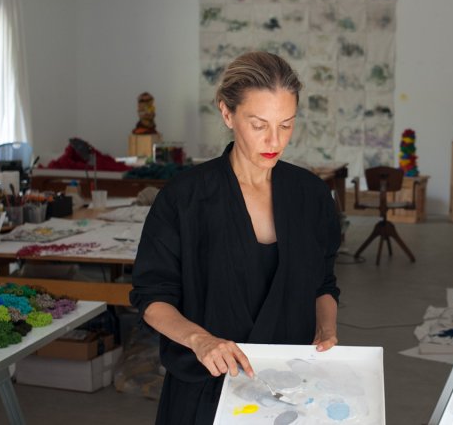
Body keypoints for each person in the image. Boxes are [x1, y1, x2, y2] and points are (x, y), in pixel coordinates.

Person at [129, 51, 341, 424]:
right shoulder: (185, 198)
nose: (274, 140)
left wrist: (326, 328)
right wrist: (201, 340)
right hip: (203, 393)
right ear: (227, 114)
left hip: (289, 390)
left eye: (286, 124)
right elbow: (152, 297)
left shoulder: (311, 196)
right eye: (259, 124)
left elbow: (323, 283)